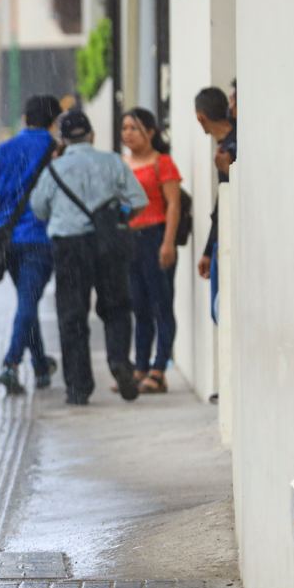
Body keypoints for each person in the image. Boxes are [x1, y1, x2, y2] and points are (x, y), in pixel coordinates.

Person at [29, 109, 147, 406]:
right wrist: (117, 217)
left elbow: (39, 209)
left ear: (63, 140)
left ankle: (79, 387)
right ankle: (119, 361)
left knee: (72, 315)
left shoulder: (53, 170)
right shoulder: (111, 161)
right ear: (92, 135)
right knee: (117, 307)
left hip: (69, 246)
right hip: (108, 243)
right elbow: (139, 201)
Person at [0, 94, 62, 395]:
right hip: (41, 239)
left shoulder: (3, 150)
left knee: (27, 300)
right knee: (28, 301)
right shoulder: (56, 151)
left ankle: (41, 367)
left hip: (7, 242)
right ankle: (11, 363)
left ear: (24, 119)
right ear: (54, 122)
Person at [120, 108, 182, 395]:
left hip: (155, 236)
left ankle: (159, 369)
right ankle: (141, 367)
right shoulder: (123, 165)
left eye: (134, 128)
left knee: (161, 305)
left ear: (151, 132)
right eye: (125, 128)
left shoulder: (162, 163)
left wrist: (167, 243)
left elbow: (174, 205)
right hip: (130, 239)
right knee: (139, 307)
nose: (127, 133)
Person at [194, 87, 237, 323]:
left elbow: (226, 200)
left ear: (201, 117)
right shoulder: (230, 144)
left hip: (230, 238)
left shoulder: (230, 148)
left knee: (222, 311)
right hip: (223, 237)